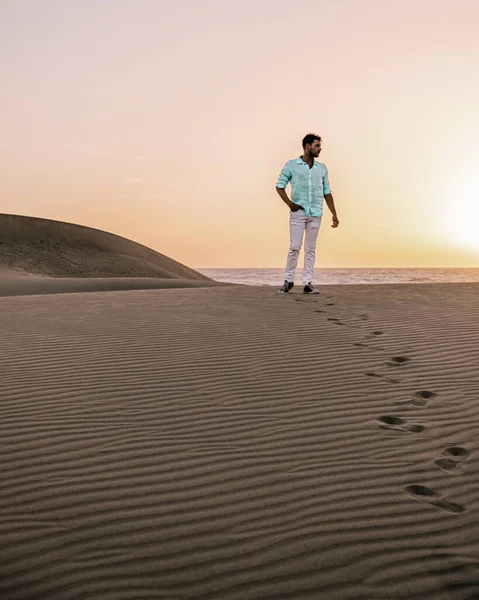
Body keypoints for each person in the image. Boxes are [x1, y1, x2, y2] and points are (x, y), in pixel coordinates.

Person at [276, 133, 339, 294]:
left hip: (316, 213)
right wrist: (290, 204)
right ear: (307, 146)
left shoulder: (322, 168)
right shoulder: (292, 165)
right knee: (294, 247)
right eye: (317, 146)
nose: (320, 149)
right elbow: (279, 186)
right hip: (298, 212)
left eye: (320, 145)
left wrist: (334, 213)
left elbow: (327, 191)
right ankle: (288, 281)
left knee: (310, 249)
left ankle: (307, 283)